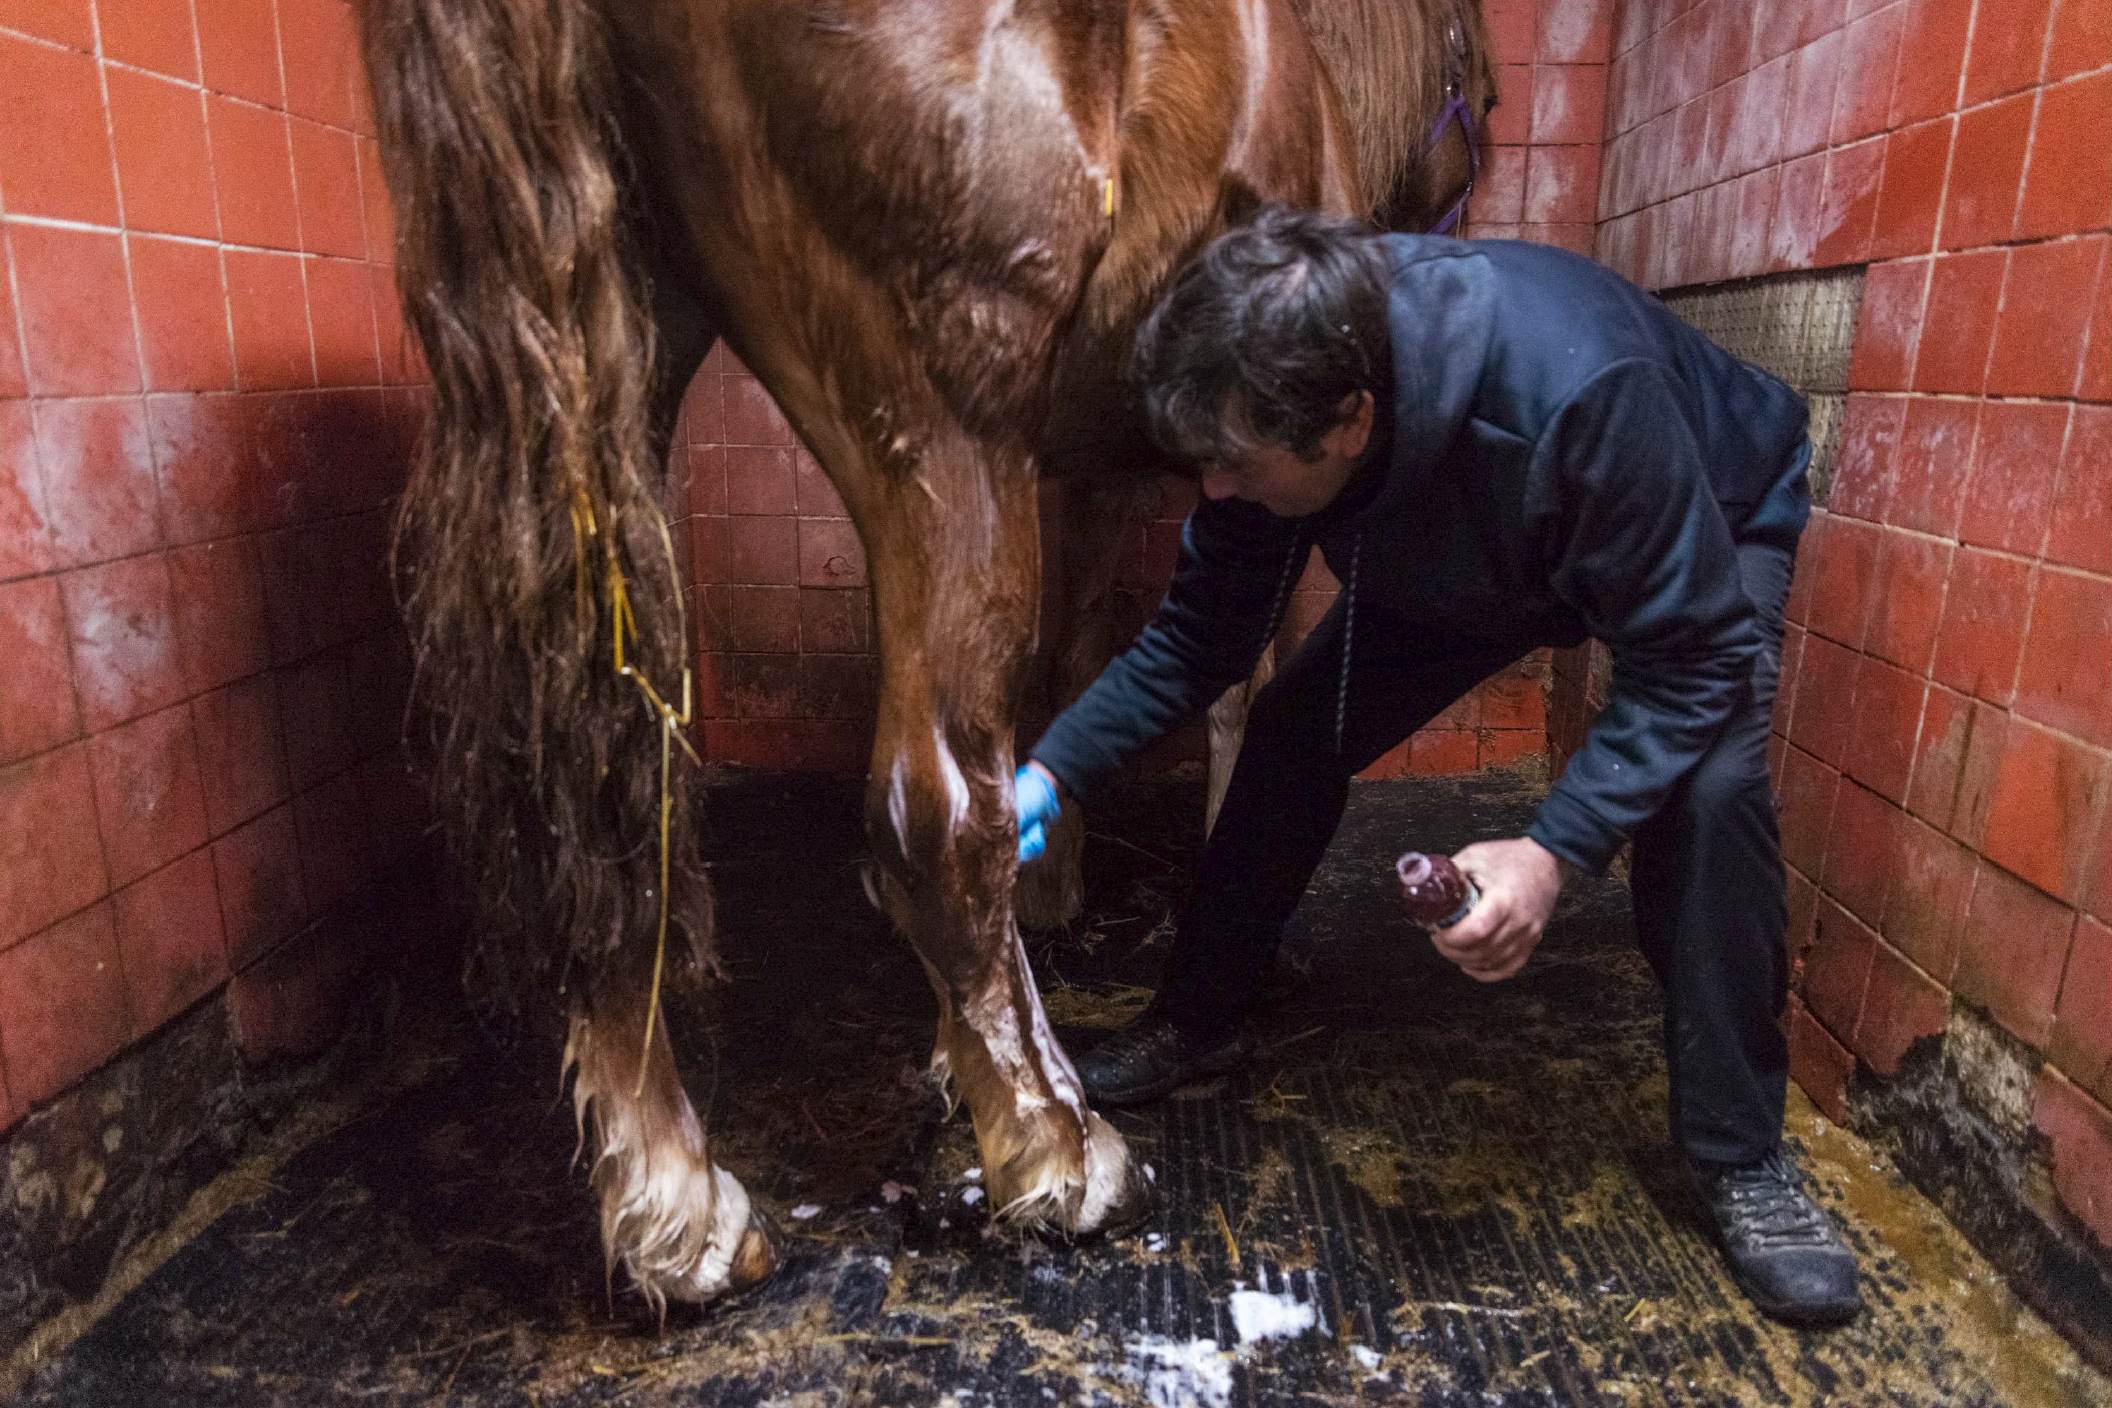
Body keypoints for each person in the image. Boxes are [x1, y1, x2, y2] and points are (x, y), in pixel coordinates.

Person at [1013, 207, 1858, 1325]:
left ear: (1351, 418)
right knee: (1294, 723)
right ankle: (1203, 1011)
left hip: (1704, 508)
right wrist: (1049, 772)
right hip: (1478, 542)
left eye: (1234, 468)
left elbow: (1694, 657)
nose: (1213, 493)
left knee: (1708, 789)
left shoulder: (1577, 393)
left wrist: (1552, 850)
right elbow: (1197, 636)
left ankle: (1741, 1152)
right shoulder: (1273, 398)